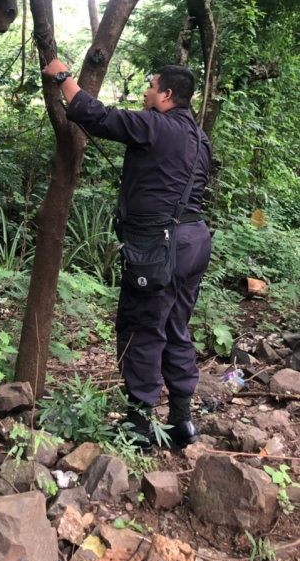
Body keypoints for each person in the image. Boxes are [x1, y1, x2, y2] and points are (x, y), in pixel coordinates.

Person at [42, 59, 212, 448]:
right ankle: (182, 422)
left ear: (167, 95)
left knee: (141, 327)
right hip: (194, 242)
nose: (146, 92)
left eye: (151, 86)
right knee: (175, 327)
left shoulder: (154, 124)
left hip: (160, 249)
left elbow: (96, 116)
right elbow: (170, 180)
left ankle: (138, 425)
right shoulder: (199, 138)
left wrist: (63, 76)